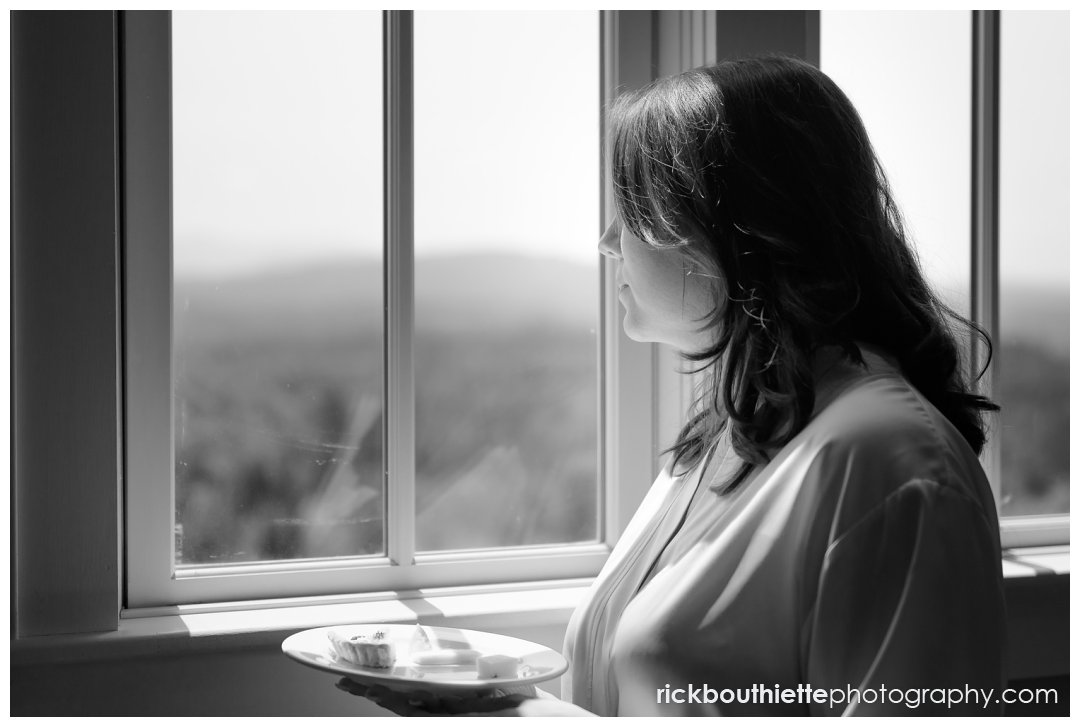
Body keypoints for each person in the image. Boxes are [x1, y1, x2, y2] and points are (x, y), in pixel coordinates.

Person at [347, 54, 1007, 717]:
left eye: (634, 209)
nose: (607, 241)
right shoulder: (729, 437)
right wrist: (488, 706)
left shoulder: (892, 467)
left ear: (741, 230)